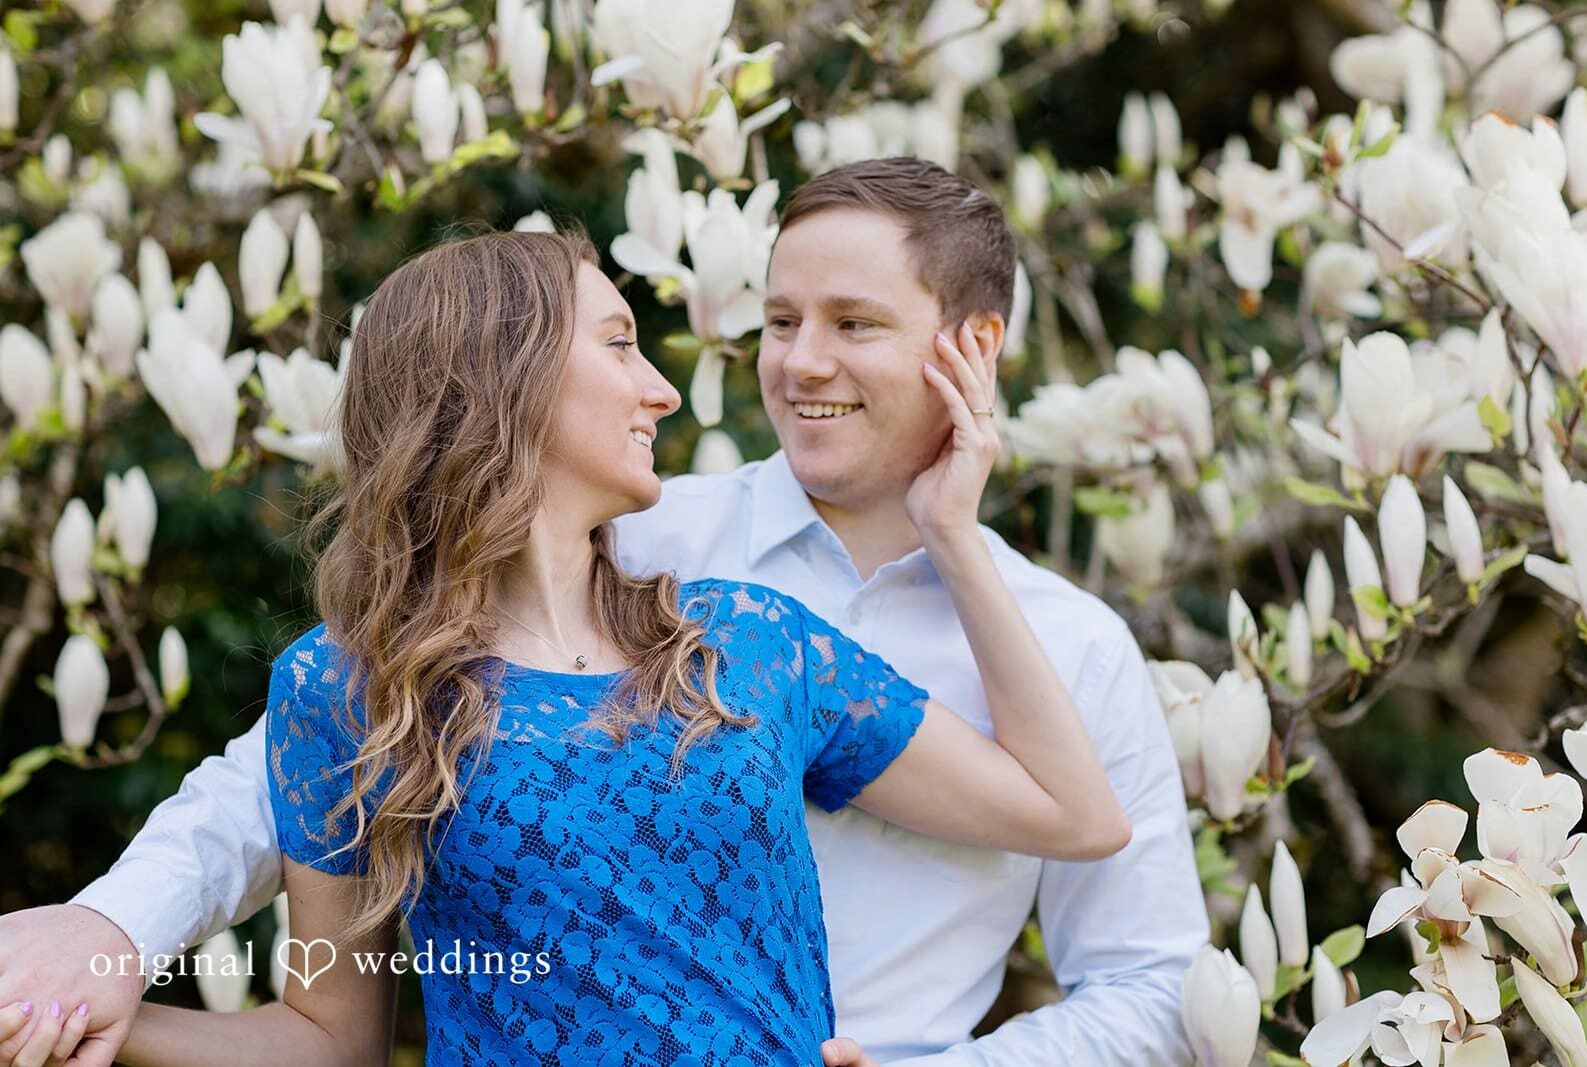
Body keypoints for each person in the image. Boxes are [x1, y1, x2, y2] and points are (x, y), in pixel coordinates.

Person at [0, 157, 1209, 1065]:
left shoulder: (1035, 646)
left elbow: (1146, 974)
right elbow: (279, 794)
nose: (794, 363)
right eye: (779, 320)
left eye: (853, 324)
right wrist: (103, 936)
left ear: (972, 347)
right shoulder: (637, 539)